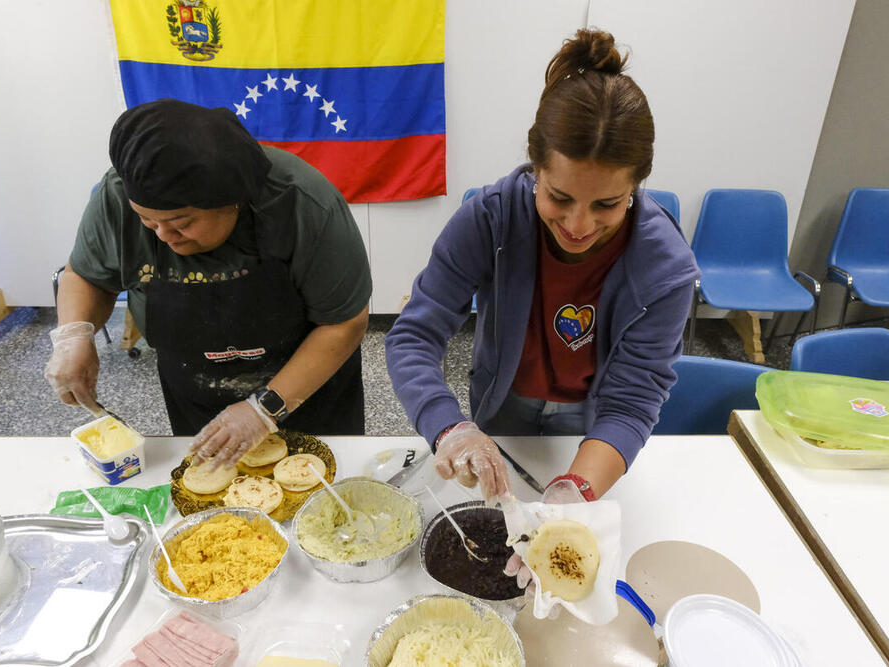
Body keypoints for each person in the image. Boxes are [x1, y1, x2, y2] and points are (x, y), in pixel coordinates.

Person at [385, 29, 700, 504]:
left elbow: (632, 400)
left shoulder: (665, 268)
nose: (578, 225)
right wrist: (449, 427)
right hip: (501, 397)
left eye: (607, 204)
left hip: (592, 418)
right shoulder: (490, 219)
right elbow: (414, 335)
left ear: (636, 186)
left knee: (561, 519)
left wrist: (577, 489)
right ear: (535, 169)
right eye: (559, 196)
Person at [45, 99, 371, 466]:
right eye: (148, 222)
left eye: (182, 223)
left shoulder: (302, 202)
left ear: (230, 201)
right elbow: (86, 275)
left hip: (307, 389)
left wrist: (263, 409)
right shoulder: (117, 195)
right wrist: (74, 334)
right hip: (197, 390)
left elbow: (344, 321)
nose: (165, 236)